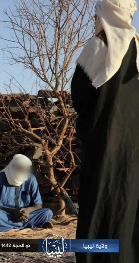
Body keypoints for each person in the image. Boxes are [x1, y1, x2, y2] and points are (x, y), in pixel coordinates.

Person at [72, 0, 139, 262]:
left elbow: (79, 95)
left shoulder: (98, 48)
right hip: (133, 151)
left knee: (99, 204)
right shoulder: (137, 49)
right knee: (128, 205)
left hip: (104, 148)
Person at [0, 154, 53, 232]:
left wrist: (28, 210)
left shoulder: (31, 179)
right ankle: (29, 224)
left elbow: (38, 205)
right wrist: (13, 211)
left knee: (47, 212)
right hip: (7, 214)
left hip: (26, 215)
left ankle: (10, 225)